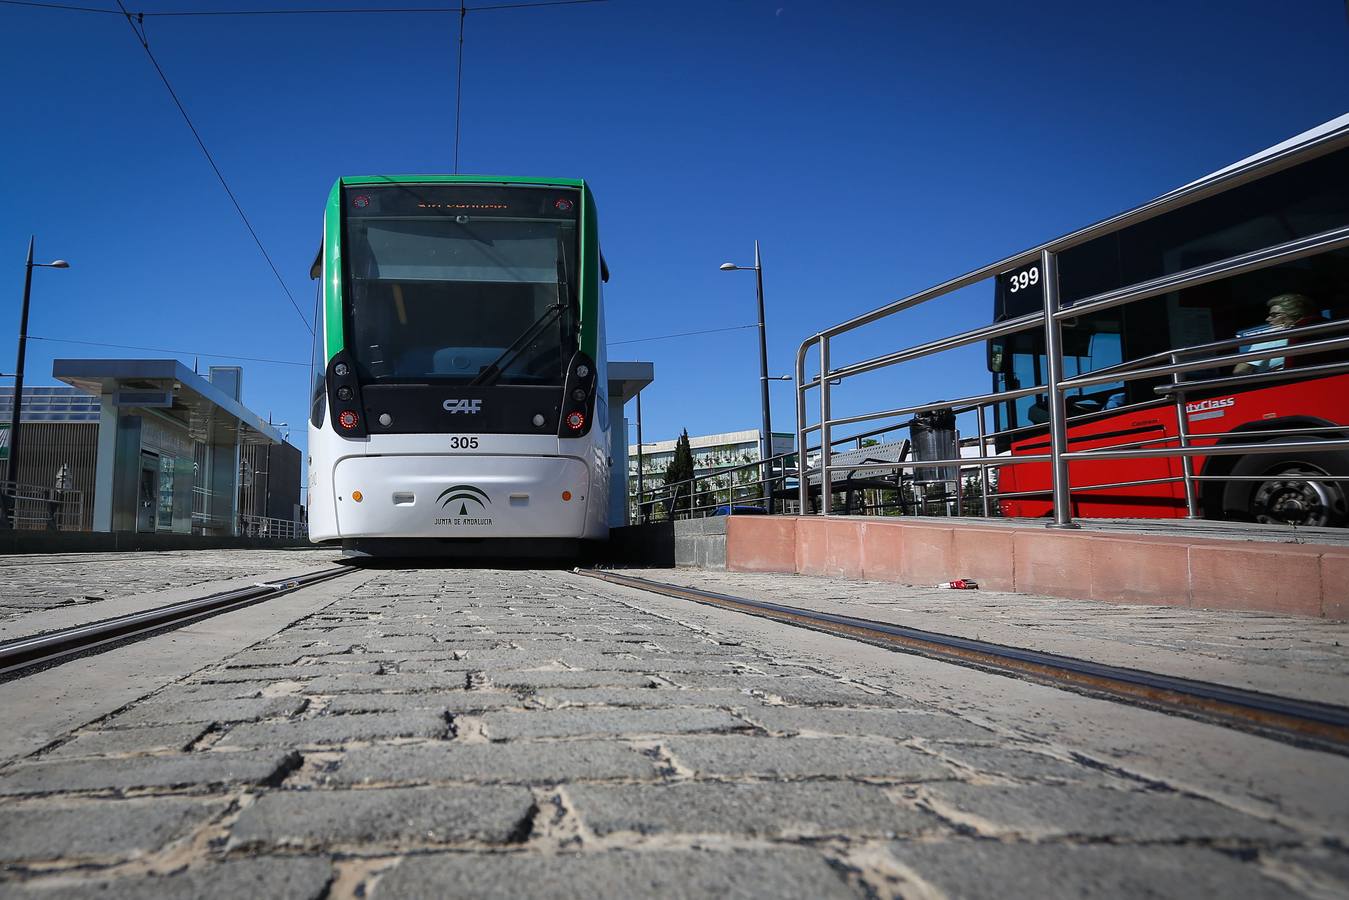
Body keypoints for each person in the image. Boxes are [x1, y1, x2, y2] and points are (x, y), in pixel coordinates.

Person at [1233, 293, 1324, 375]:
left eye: (1274, 315)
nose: (1267, 319)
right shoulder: (1320, 329)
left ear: (1294, 315)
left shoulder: (1273, 335)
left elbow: (1239, 371)